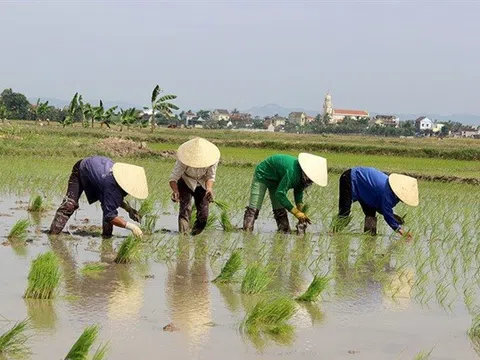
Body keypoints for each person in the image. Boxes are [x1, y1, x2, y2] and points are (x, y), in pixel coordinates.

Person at [48, 155, 148, 238]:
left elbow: (112, 200)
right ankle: (53, 235)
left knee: (107, 207)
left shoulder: (116, 183)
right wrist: (132, 227)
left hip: (98, 174)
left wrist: (129, 209)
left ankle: (106, 237)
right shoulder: (111, 184)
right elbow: (110, 215)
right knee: (69, 204)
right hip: (81, 169)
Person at [243, 153, 328, 233]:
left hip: (277, 180)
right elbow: (280, 194)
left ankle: (284, 230)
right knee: (253, 210)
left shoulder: (304, 178)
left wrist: (301, 211)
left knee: (280, 212)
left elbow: (298, 191)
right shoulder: (292, 172)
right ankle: (247, 231)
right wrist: (296, 212)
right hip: (263, 174)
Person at [333, 166, 418, 239]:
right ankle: (333, 233)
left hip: (366, 191)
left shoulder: (393, 193)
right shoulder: (388, 192)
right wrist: (402, 232)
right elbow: (386, 213)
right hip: (350, 178)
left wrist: (392, 216)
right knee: (344, 213)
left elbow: (382, 208)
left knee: (370, 216)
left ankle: (369, 240)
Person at [169, 137, 220, 235]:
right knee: (185, 210)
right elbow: (173, 178)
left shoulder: (212, 160)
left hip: (202, 183)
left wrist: (209, 189)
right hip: (185, 181)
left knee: (203, 215)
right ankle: (183, 239)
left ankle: (194, 235)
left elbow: (210, 176)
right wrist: (176, 191)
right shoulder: (183, 159)